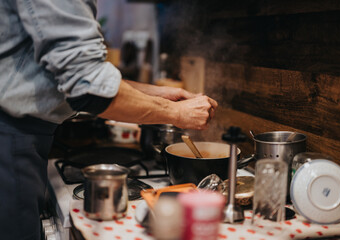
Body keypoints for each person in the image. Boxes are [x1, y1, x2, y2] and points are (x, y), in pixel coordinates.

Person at [0, 1, 218, 239]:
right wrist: (177, 113)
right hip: (9, 138)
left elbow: (70, 75)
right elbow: (90, 87)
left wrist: (157, 93)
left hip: (20, 138)